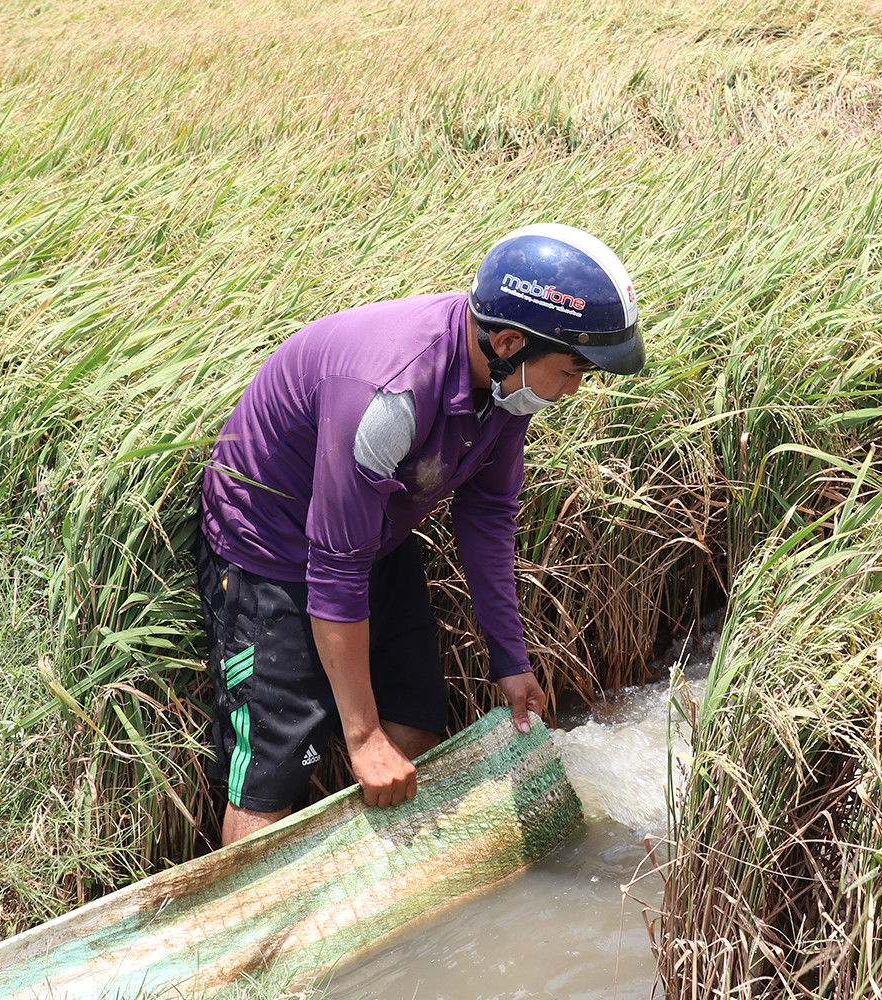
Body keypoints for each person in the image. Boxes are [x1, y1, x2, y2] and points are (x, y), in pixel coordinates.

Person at [195, 223, 644, 846]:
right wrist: (360, 736)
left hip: (371, 531)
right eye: (571, 371)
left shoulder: (505, 387)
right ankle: (256, 915)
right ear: (510, 341)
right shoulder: (390, 398)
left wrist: (509, 660)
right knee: (272, 778)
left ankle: (367, 881)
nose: (574, 389)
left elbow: (487, 517)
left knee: (416, 724)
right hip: (269, 546)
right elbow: (333, 567)